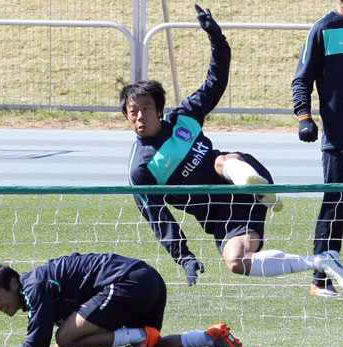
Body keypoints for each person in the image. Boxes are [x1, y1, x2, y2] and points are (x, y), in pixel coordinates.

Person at [122, 5, 343, 287]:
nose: (140, 116)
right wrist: (185, 257)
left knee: (218, 161)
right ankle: (319, 261)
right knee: (237, 262)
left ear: (158, 108)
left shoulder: (184, 118)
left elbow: (216, 80)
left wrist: (216, 38)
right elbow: (158, 218)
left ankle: (256, 185)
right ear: (126, 117)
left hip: (241, 174)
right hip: (222, 219)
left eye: (146, 108)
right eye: (133, 112)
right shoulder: (141, 170)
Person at [0, 252, 246, 347]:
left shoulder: (34, 286)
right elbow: (76, 315)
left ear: (13, 284)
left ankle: (137, 335)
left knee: (66, 336)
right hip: (148, 280)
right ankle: (209, 337)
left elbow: (37, 343)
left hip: (126, 282)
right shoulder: (36, 286)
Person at [292, 0, 343, 298]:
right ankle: (320, 278)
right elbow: (302, 79)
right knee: (335, 208)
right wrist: (304, 117)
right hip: (338, 141)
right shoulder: (325, 29)